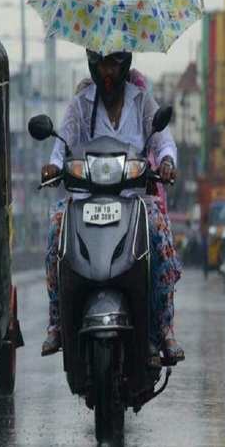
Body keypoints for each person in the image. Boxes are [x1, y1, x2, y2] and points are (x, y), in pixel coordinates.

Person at [39, 49, 185, 365]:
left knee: (159, 236)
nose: (108, 72)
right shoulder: (80, 105)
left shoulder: (142, 102)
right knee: (55, 228)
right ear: (93, 65)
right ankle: (57, 322)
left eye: (114, 64)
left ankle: (163, 329)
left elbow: (164, 142)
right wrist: (52, 166)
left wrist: (167, 161)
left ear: (125, 64)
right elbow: (61, 145)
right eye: (102, 64)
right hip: (85, 201)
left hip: (135, 200)